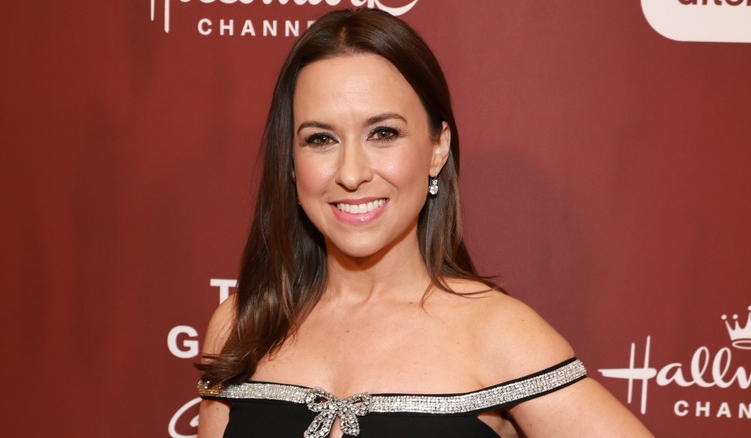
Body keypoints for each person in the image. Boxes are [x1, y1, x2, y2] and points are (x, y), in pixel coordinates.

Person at [196, 8, 654, 438]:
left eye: (383, 133)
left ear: (438, 148)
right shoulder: (241, 325)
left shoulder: (497, 333)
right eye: (320, 139)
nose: (351, 173)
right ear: (292, 163)